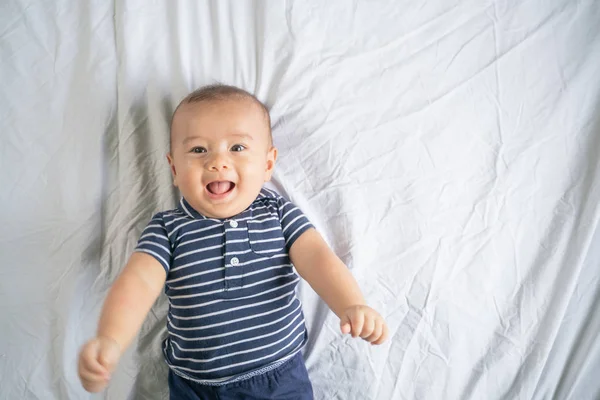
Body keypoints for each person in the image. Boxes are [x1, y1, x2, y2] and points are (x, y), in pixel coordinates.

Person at [77, 84, 389, 399]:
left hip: (278, 377)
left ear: (268, 165)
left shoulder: (278, 214)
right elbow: (139, 282)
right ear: (174, 168)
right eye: (198, 149)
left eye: (237, 148)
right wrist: (110, 340)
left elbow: (318, 258)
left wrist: (351, 304)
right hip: (195, 385)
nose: (217, 162)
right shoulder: (168, 228)